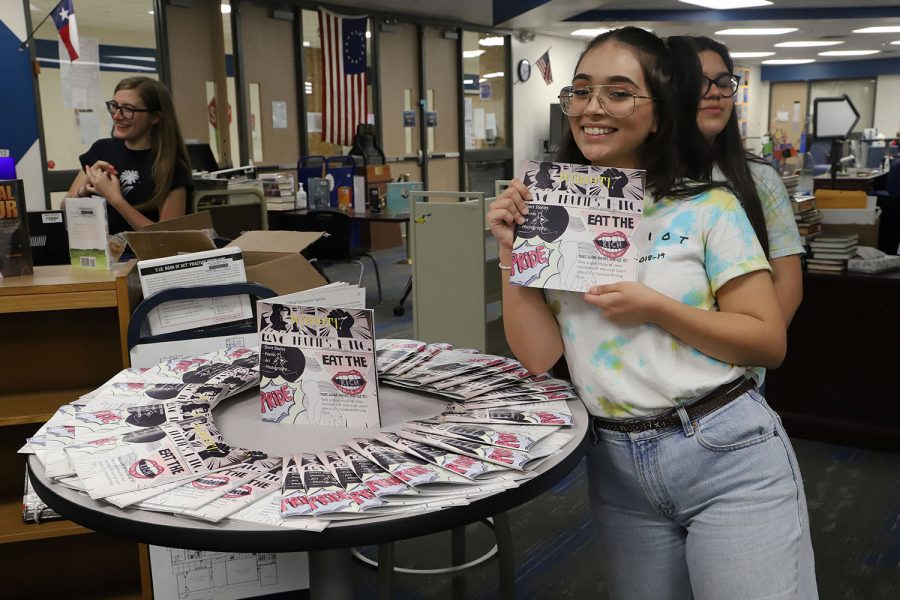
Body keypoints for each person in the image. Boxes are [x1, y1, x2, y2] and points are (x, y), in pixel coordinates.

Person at [487, 27, 817, 599]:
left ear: (660, 113)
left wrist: (655, 308)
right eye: (582, 90)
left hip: (725, 450)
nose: (593, 108)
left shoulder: (709, 207)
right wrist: (510, 254)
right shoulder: (554, 213)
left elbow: (768, 342)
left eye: (618, 92)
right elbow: (540, 357)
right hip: (615, 461)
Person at [668, 35, 804, 325]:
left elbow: (787, 281)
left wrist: (750, 352)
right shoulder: (636, 177)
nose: (715, 93)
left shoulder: (758, 177)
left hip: (735, 361)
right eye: (699, 82)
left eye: (723, 81)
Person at [67, 77, 191, 235]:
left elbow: (166, 237)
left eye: (128, 109)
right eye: (114, 106)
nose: (117, 116)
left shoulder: (171, 167)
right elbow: (65, 207)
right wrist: (84, 191)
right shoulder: (101, 149)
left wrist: (115, 199)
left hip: (141, 257)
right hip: (102, 255)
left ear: (155, 117)